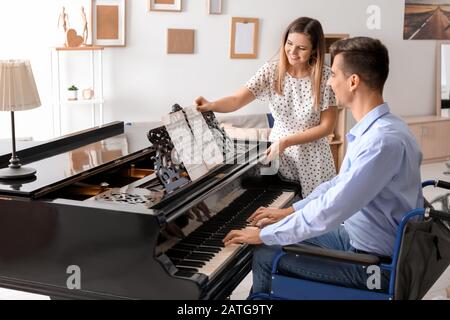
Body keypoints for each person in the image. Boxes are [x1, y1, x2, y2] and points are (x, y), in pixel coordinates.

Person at [223, 37, 424, 294]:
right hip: (356, 238)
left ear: (353, 82)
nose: (329, 81)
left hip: (373, 265)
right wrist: (289, 212)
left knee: (265, 252)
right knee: (271, 231)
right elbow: (338, 185)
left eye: (335, 74)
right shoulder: (385, 128)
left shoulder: (381, 142)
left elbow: (331, 209)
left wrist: (263, 237)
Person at [195, 17, 337, 197]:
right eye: (290, 43)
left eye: (301, 48)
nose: (292, 52)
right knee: (278, 213)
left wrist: (286, 142)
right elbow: (236, 100)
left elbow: (327, 127)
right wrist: (211, 105)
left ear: (314, 49)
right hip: (279, 156)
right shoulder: (271, 71)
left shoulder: (325, 78)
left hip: (313, 159)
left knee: (315, 216)